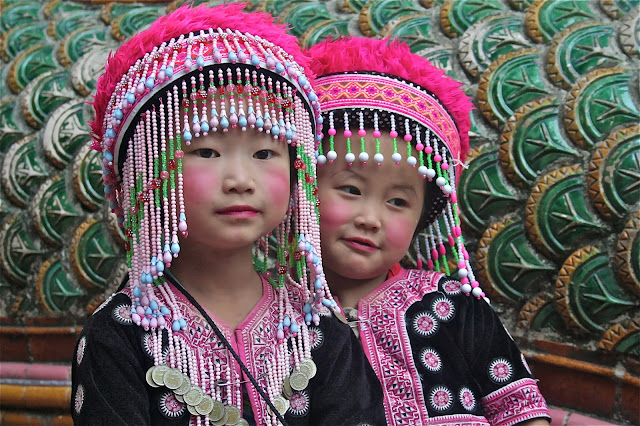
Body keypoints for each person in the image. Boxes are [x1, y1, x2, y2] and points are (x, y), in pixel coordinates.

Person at [71, 6, 386, 425]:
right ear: (146, 171)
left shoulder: (319, 328)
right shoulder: (120, 333)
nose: (240, 180)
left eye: (265, 153)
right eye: (206, 151)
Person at [309, 37, 551, 426]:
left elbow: (520, 411)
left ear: (423, 216)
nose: (371, 218)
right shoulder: (280, 317)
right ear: (304, 188)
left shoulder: (454, 304)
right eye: (351, 190)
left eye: (397, 202)